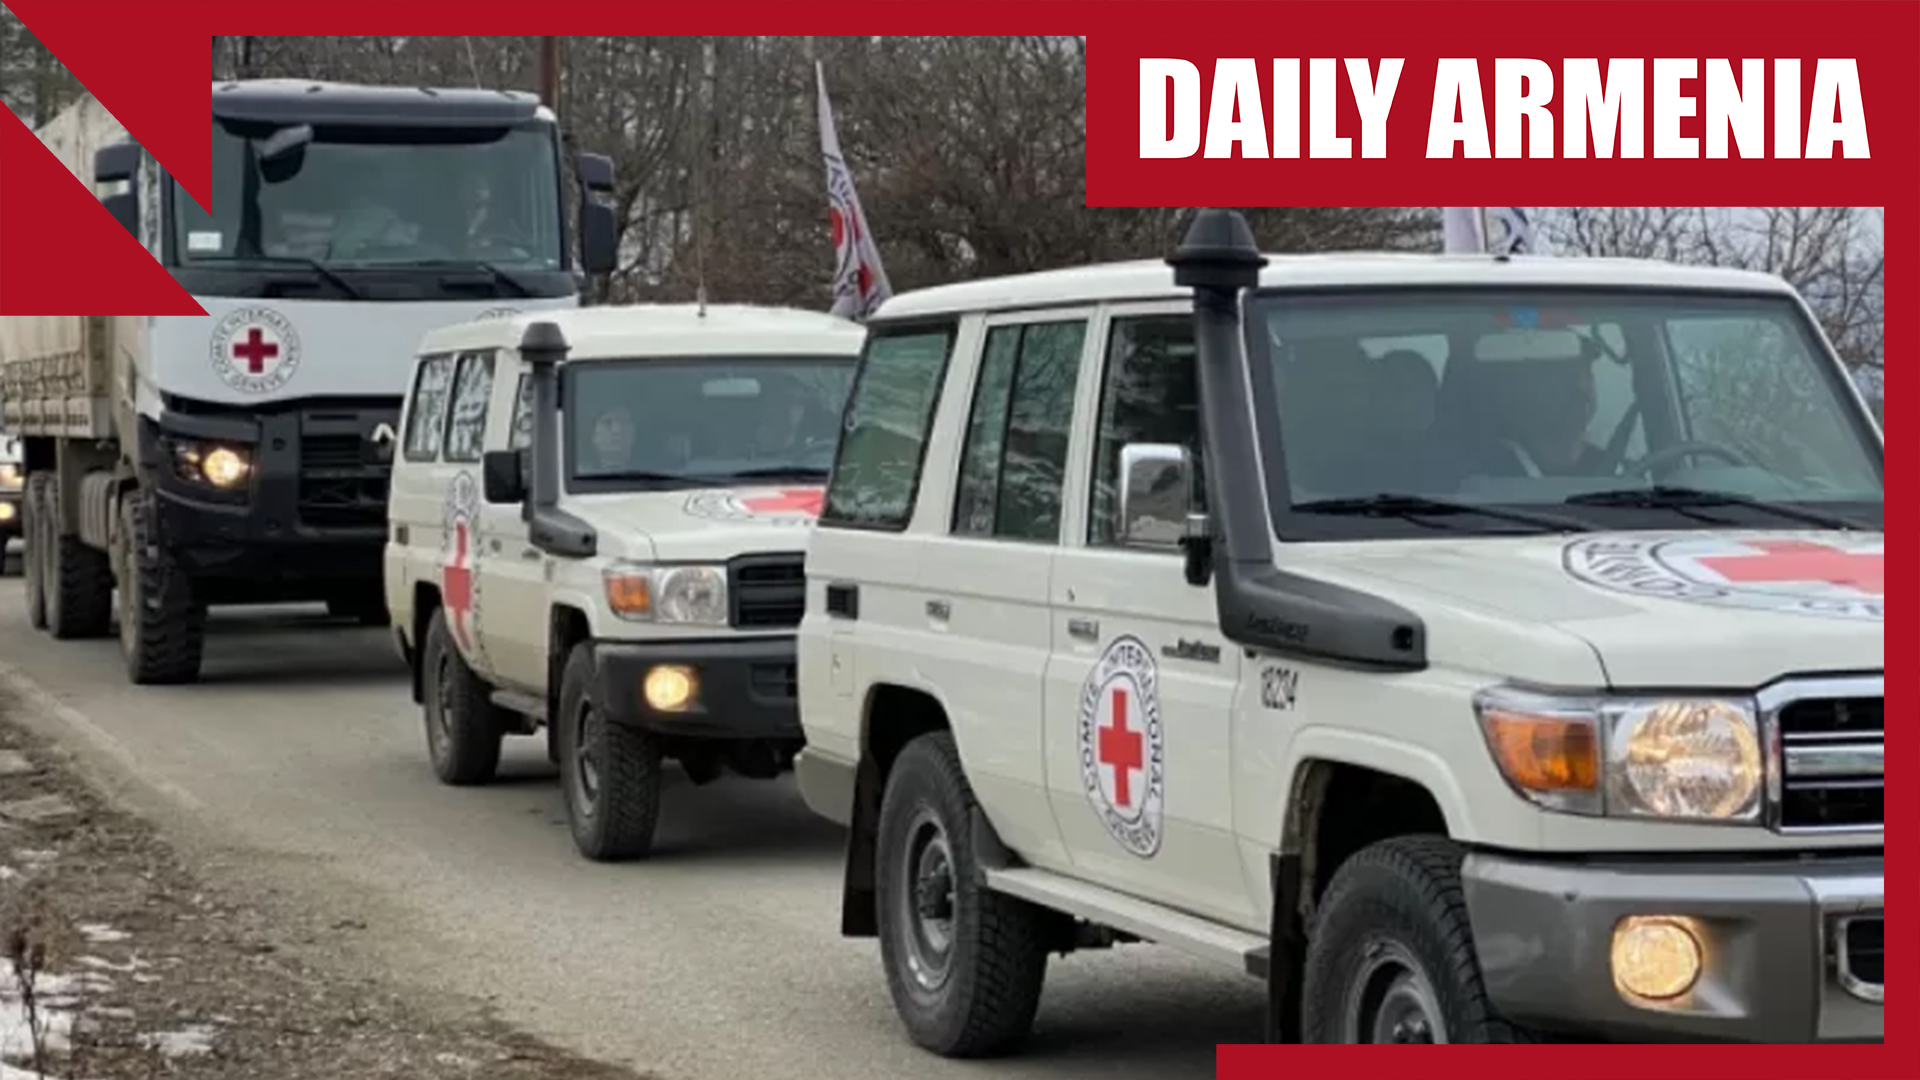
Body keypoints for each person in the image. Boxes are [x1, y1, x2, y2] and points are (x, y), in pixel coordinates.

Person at [585, 405, 636, 473]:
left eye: (623, 422)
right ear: (593, 435)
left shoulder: (651, 472)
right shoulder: (580, 475)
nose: (617, 430)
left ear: (634, 433)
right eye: (607, 422)